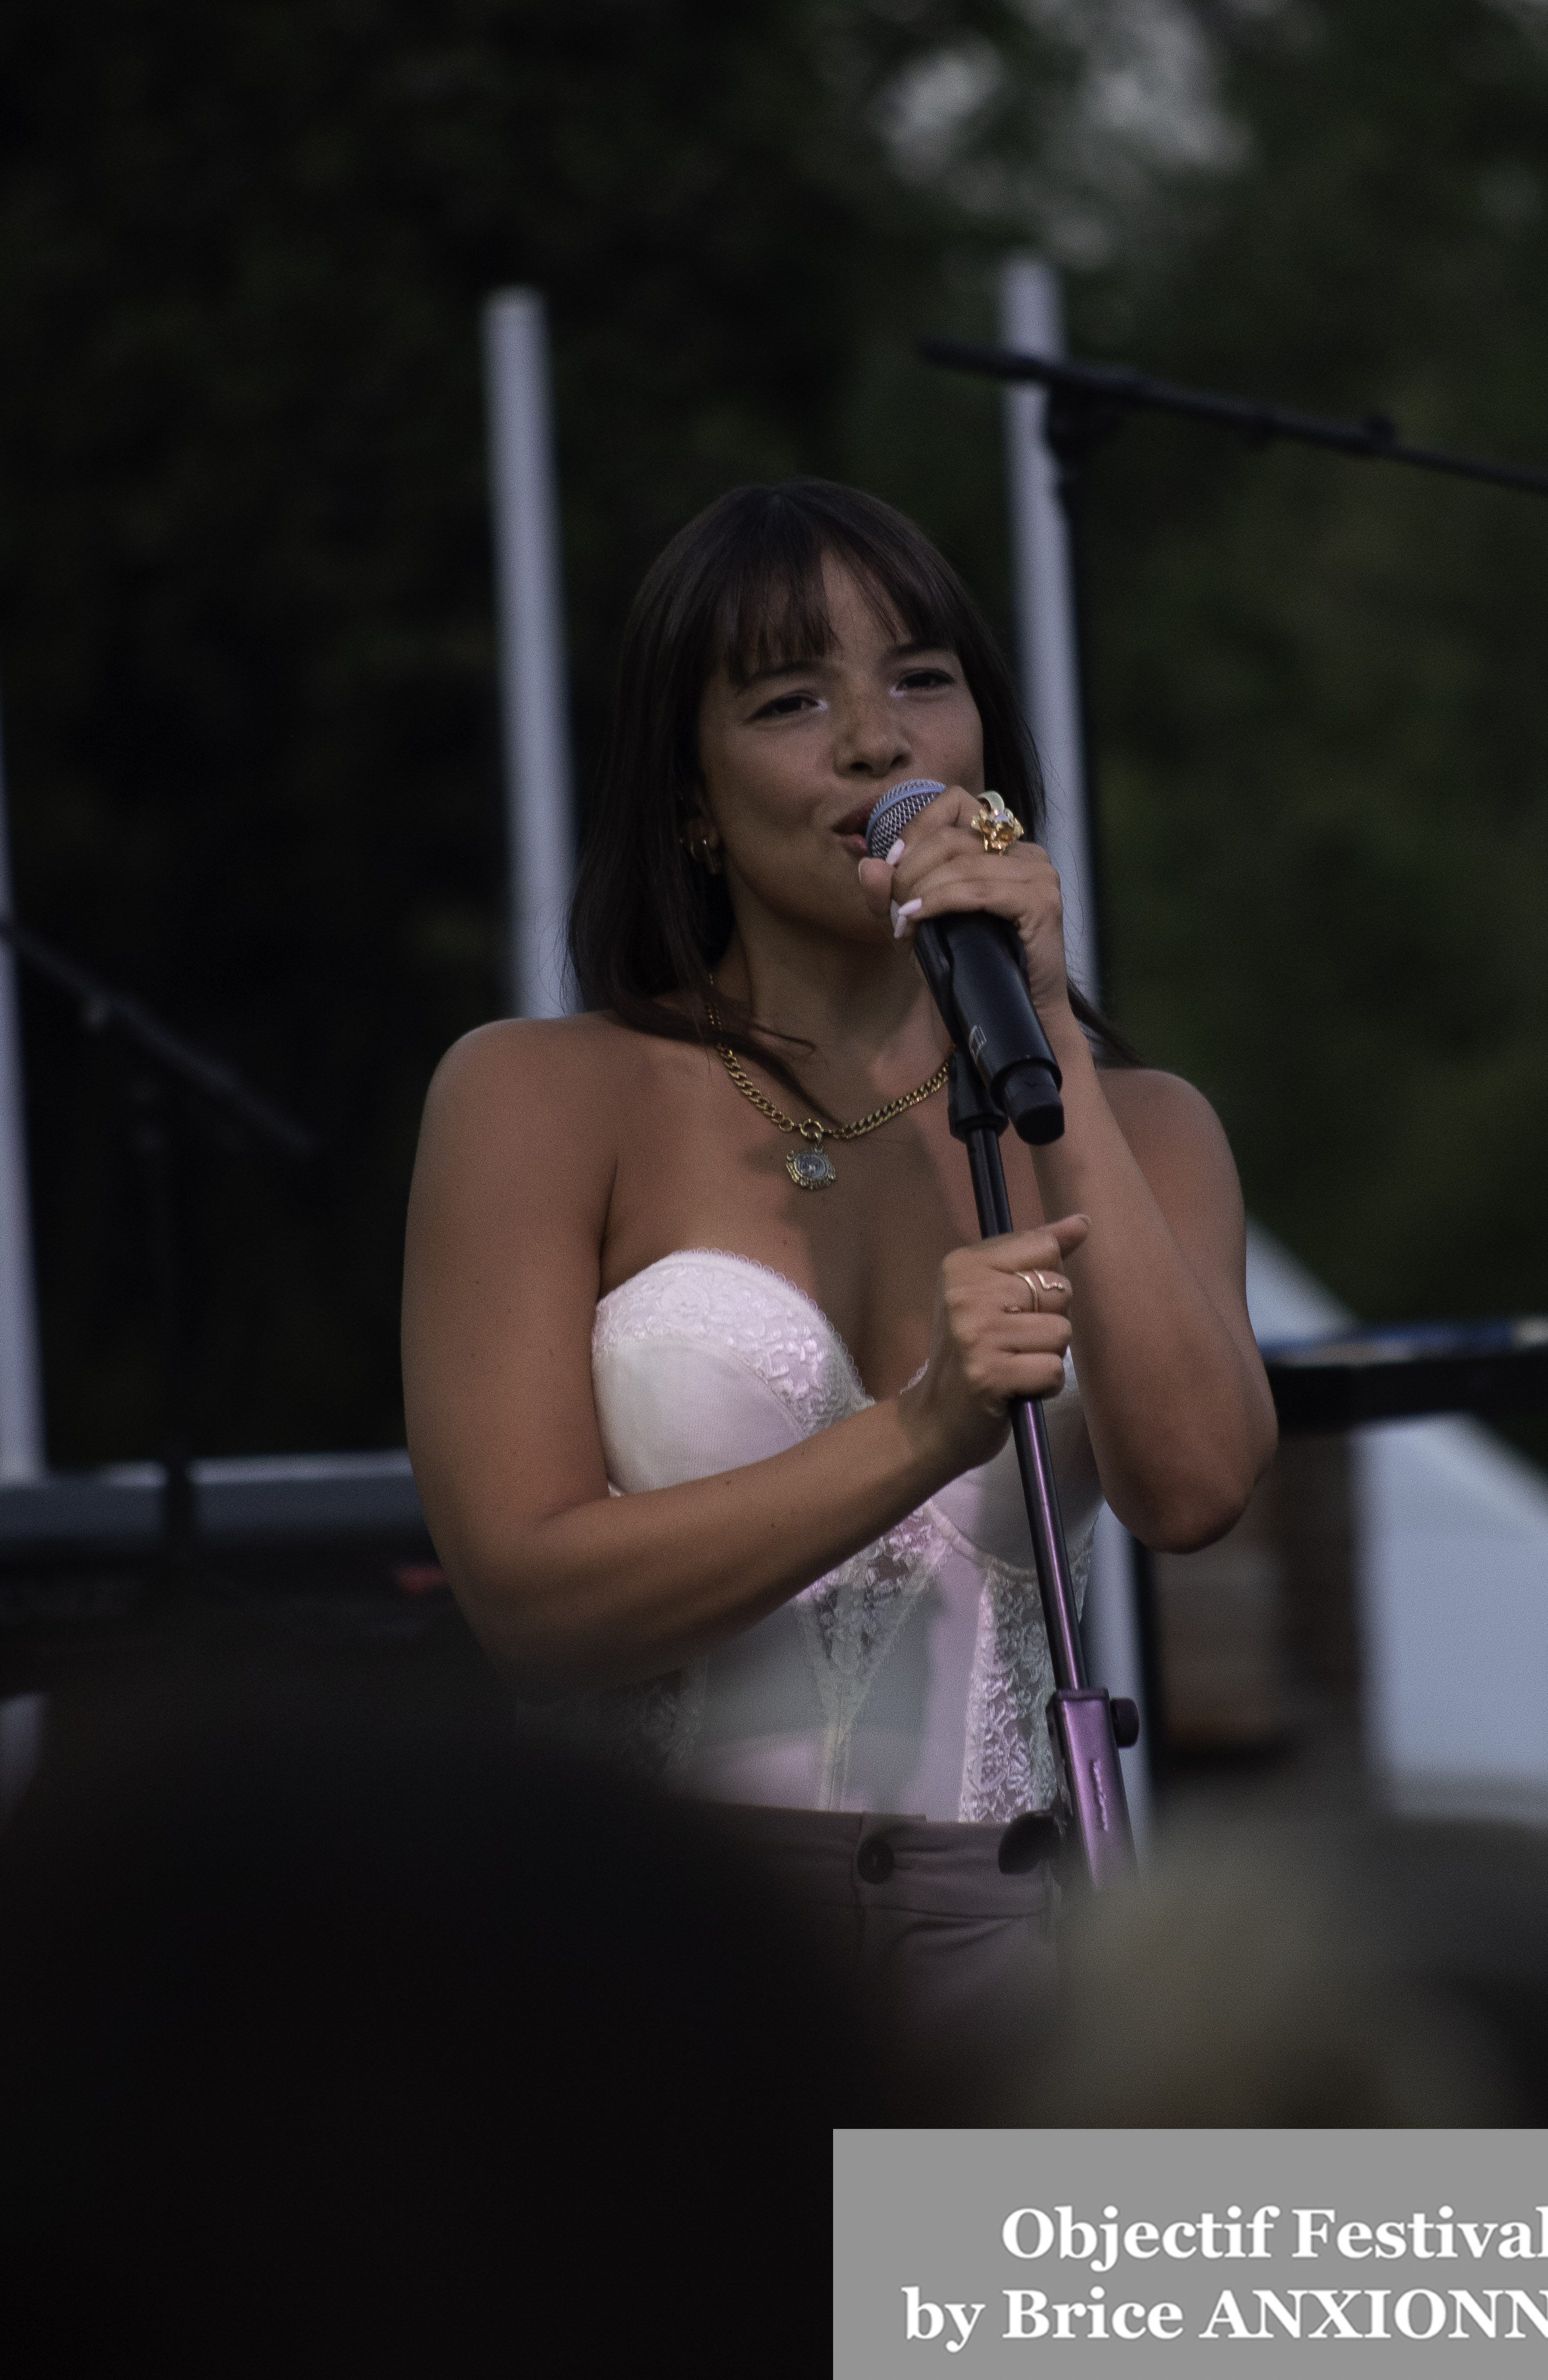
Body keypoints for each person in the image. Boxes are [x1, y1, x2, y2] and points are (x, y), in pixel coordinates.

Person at [401, 479, 1275, 2060]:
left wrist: (1048, 1029)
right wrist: (922, 1431)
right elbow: (530, 1600)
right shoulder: (539, 1095)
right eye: (791, 700)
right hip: (667, 1950)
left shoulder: (1146, 1124)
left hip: (1019, 1954)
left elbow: (1198, 1485)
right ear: (690, 797)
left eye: (921, 678)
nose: (878, 743)